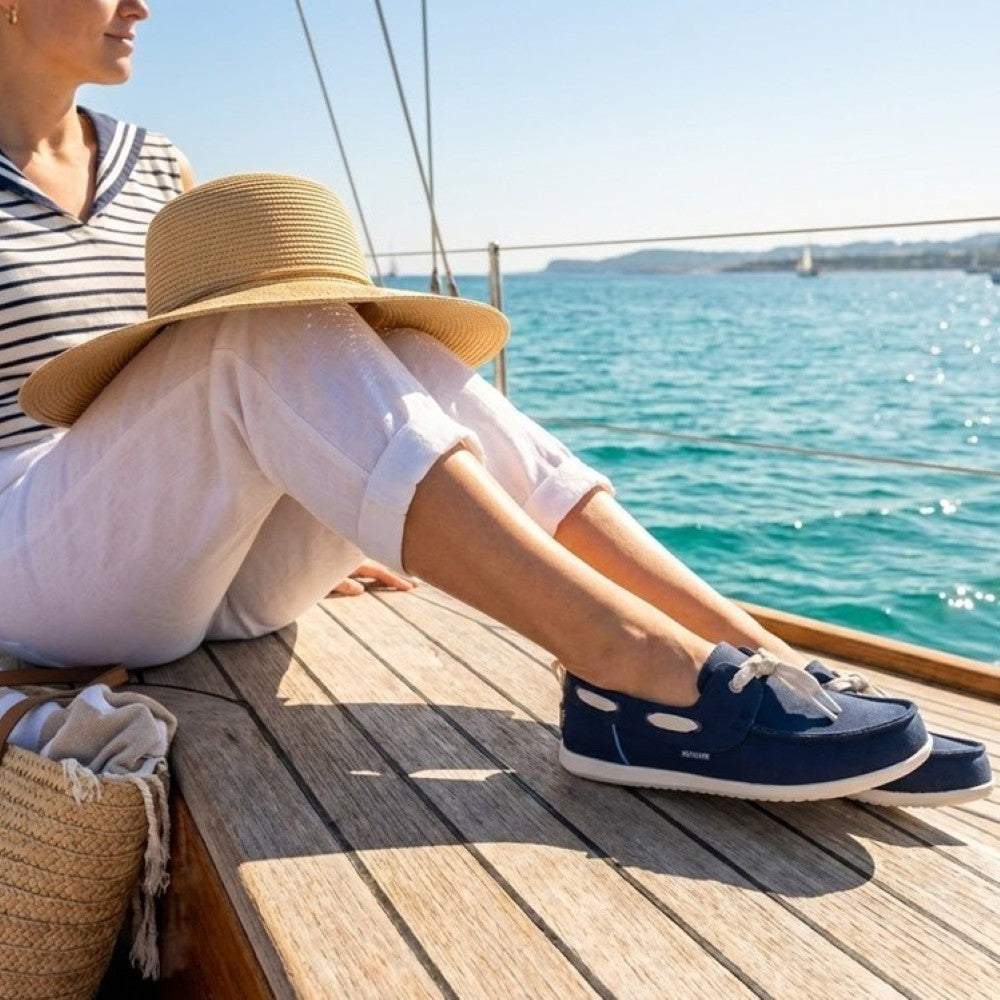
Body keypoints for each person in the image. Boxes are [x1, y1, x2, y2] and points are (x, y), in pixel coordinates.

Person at [0, 1, 991, 805]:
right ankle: (637, 666)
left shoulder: (159, 161)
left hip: (178, 568)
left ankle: (756, 654)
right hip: (33, 562)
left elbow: (189, 414)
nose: (145, 3)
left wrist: (290, 506)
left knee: (379, 337)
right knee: (258, 329)